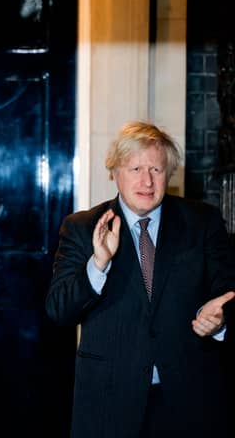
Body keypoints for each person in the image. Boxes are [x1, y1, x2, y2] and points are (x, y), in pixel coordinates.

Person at [46, 121, 235, 438]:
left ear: (169, 174)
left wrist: (221, 321)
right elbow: (59, 310)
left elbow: (227, 294)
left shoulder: (203, 222)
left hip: (190, 403)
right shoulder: (83, 227)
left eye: (156, 170)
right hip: (109, 402)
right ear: (115, 171)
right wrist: (98, 263)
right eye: (135, 168)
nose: (147, 181)